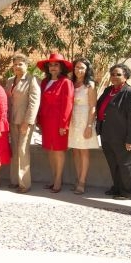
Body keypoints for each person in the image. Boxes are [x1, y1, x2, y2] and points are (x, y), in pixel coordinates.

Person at [96, 64, 131, 200]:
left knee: (127, 164)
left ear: (126, 76)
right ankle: (117, 188)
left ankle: (128, 193)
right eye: (112, 74)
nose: (114, 77)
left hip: (123, 136)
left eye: (118, 74)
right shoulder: (109, 90)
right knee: (114, 163)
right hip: (107, 133)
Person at [36, 53, 74, 193]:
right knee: (50, 151)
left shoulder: (66, 82)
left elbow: (68, 105)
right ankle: (53, 178)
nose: (53, 67)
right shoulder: (44, 82)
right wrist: (39, 119)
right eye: (50, 65)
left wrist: (64, 125)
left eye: (56, 65)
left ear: (61, 67)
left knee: (58, 151)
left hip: (59, 122)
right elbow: (40, 102)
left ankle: (58, 180)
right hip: (46, 121)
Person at [5, 53, 40, 194]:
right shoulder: (9, 81)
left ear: (26, 65)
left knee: (23, 151)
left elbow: (34, 103)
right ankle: (15, 180)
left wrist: (28, 121)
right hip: (12, 120)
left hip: (25, 121)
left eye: (20, 64)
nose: (17, 67)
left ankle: (24, 183)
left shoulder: (32, 80)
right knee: (14, 150)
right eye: (15, 64)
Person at [68, 58, 100, 195]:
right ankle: (78, 178)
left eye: (82, 68)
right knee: (75, 150)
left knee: (84, 151)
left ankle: (82, 181)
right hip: (72, 119)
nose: (78, 70)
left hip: (84, 119)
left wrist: (89, 125)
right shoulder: (71, 83)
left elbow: (93, 106)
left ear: (87, 70)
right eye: (76, 67)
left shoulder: (90, 85)